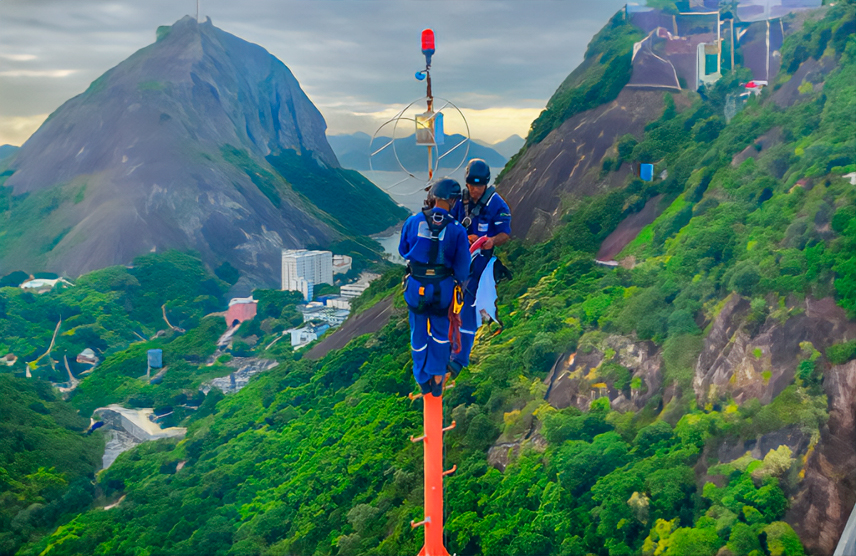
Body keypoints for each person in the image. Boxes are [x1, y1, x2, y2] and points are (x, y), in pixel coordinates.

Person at [399, 178, 471, 397]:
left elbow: (403, 250)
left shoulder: (413, 221)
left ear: (434, 197)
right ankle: (438, 378)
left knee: (418, 331)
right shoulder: (457, 229)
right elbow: (462, 269)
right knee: (441, 332)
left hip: (416, 287)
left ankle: (422, 379)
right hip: (442, 288)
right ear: (453, 200)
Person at [447, 159, 511, 378]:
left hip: (479, 263)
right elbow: (448, 225)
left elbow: (505, 233)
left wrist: (491, 240)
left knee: (467, 306)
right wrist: (463, 236)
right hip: (457, 258)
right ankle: (443, 350)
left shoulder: (496, 204)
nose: (475, 190)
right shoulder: (459, 201)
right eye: (472, 185)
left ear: (486, 184)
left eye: (479, 185)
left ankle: (458, 359)